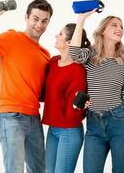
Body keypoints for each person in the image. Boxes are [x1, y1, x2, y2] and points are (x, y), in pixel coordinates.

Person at [69, 10, 124, 173]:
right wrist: (81, 18)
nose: (120, 29)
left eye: (121, 27)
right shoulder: (90, 55)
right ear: (102, 31)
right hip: (94, 123)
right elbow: (74, 53)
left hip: (120, 123)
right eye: (114, 25)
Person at [0, 0, 53, 173]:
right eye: (35, 18)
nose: (39, 25)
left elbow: (42, 94)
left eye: (44, 21)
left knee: (39, 170)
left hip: (34, 118)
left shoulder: (45, 55)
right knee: (14, 169)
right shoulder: (12, 38)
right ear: (26, 17)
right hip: (10, 116)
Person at [42, 23, 90, 173]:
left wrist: (78, 105)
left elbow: (74, 111)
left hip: (69, 130)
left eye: (60, 34)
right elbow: (44, 94)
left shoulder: (78, 70)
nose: (56, 36)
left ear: (70, 42)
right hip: (53, 128)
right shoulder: (53, 62)